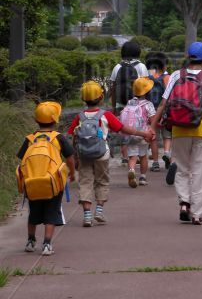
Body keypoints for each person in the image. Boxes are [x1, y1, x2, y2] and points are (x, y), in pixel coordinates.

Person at [151, 42, 202, 225]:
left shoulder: (177, 75)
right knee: (200, 172)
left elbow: (162, 104)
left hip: (179, 128)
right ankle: (198, 213)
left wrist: (152, 127)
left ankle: (184, 203)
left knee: (182, 168)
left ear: (188, 55)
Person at [68, 81, 153, 227]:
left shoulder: (79, 117)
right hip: (102, 154)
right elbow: (124, 129)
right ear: (101, 97)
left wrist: (74, 157)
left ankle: (87, 216)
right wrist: (143, 133)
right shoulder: (105, 115)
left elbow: (72, 136)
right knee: (102, 181)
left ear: (83, 99)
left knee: (85, 182)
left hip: (84, 155)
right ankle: (99, 211)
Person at [17, 102, 75, 256]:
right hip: (52, 182)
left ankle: (30, 241)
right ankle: (47, 244)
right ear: (55, 120)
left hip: (32, 182)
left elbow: (22, 159)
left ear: (36, 120)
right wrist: (72, 172)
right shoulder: (58, 138)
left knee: (33, 213)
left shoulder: (30, 139)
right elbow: (70, 158)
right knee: (51, 213)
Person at [110, 41, 149, 164]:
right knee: (138, 126)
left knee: (123, 128)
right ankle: (136, 155)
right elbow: (146, 86)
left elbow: (113, 87)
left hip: (121, 104)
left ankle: (124, 155)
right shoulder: (141, 67)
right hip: (137, 104)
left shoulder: (117, 67)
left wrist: (114, 105)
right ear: (138, 52)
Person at [122, 77, 157, 187]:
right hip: (144, 134)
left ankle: (131, 170)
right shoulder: (148, 104)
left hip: (131, 133)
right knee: (143, 156)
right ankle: (142, 177)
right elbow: (152, 120)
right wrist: (152, 130)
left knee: (132, 157)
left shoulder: (129, 102)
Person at [145, 52, 171, 171]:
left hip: (150, 111)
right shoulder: (167, 78)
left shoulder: (146, 78)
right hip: (164, 110)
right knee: (167, 136)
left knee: (153, 137)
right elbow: (169, 95)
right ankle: (166, 153)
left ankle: (155, 163)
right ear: (164, 66)